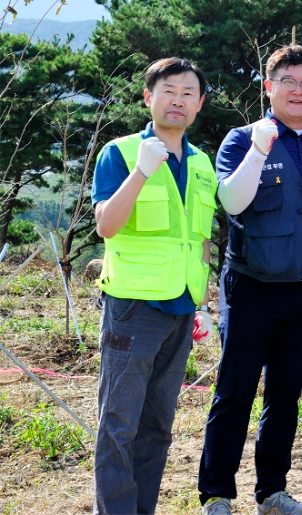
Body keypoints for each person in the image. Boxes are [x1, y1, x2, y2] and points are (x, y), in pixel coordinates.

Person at [198, 45, 302, 515]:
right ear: (268, 87)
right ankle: (217, 495)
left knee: (286, 395)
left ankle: (272, 492)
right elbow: (231, 202)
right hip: (251, 287)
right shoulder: (241, 138)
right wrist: (260, 147)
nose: (298, 90)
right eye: (288, 80)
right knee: (235, 391)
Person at [91, 57, 216, 515]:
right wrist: (141, 172)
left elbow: (199, 239)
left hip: (182, 309)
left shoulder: (202, 162)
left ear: (199, 104)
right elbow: (106, 225)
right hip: (133, 308)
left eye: (188, 93)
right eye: (169, 90)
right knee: (119, 424)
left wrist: (203, 305)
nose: (178, 99)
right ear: (148, 97)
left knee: (158, 425)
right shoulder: (121, 153)